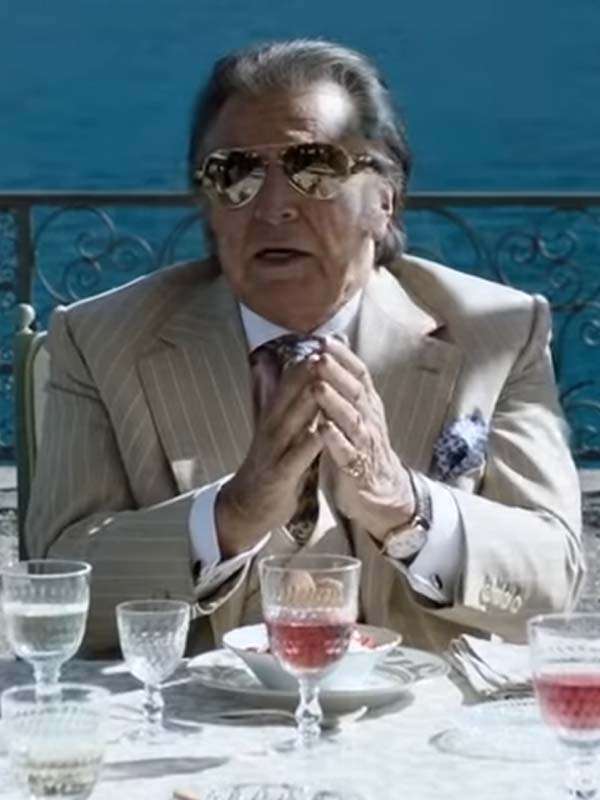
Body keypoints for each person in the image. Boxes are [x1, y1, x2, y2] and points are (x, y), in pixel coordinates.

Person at [26, 39, 584, 656]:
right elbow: (54, 591)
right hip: (197, 709)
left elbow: (553, 580)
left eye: (314, 168)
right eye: (235, 173)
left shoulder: (497, 332)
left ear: (384, 200)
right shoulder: (101, 340)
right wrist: (229, 517)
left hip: (423, 707)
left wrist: (406, 509)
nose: (272, 207)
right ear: (209, 207)